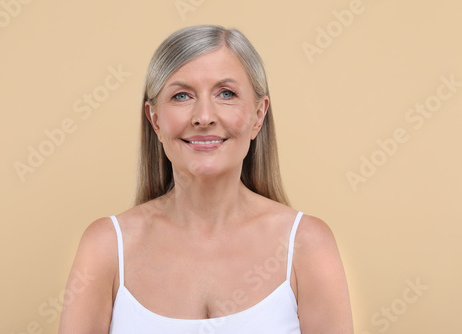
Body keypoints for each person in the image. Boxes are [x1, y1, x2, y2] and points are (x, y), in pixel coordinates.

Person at [59, 25, 353, 333]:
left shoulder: (308, 245)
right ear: (155, 119)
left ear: (258, 115)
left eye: (226, 93)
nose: (204, 116)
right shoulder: (105, 247)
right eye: (182, 95)